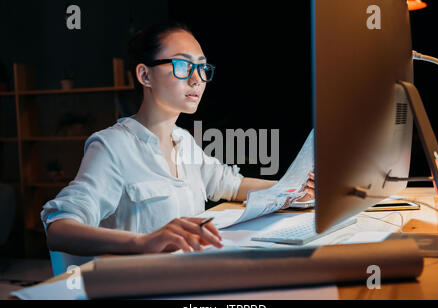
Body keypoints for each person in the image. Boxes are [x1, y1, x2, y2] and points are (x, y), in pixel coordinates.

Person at [41, 20, 314, 257]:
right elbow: (60, 229)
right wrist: (145, 242)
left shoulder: (184, 142)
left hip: (188, 273)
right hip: (143, 284)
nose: (197, 79)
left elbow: (231, 184)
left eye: (203, 68)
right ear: (145, 75)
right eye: (183, 65)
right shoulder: (112, 146)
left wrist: (294, 188)